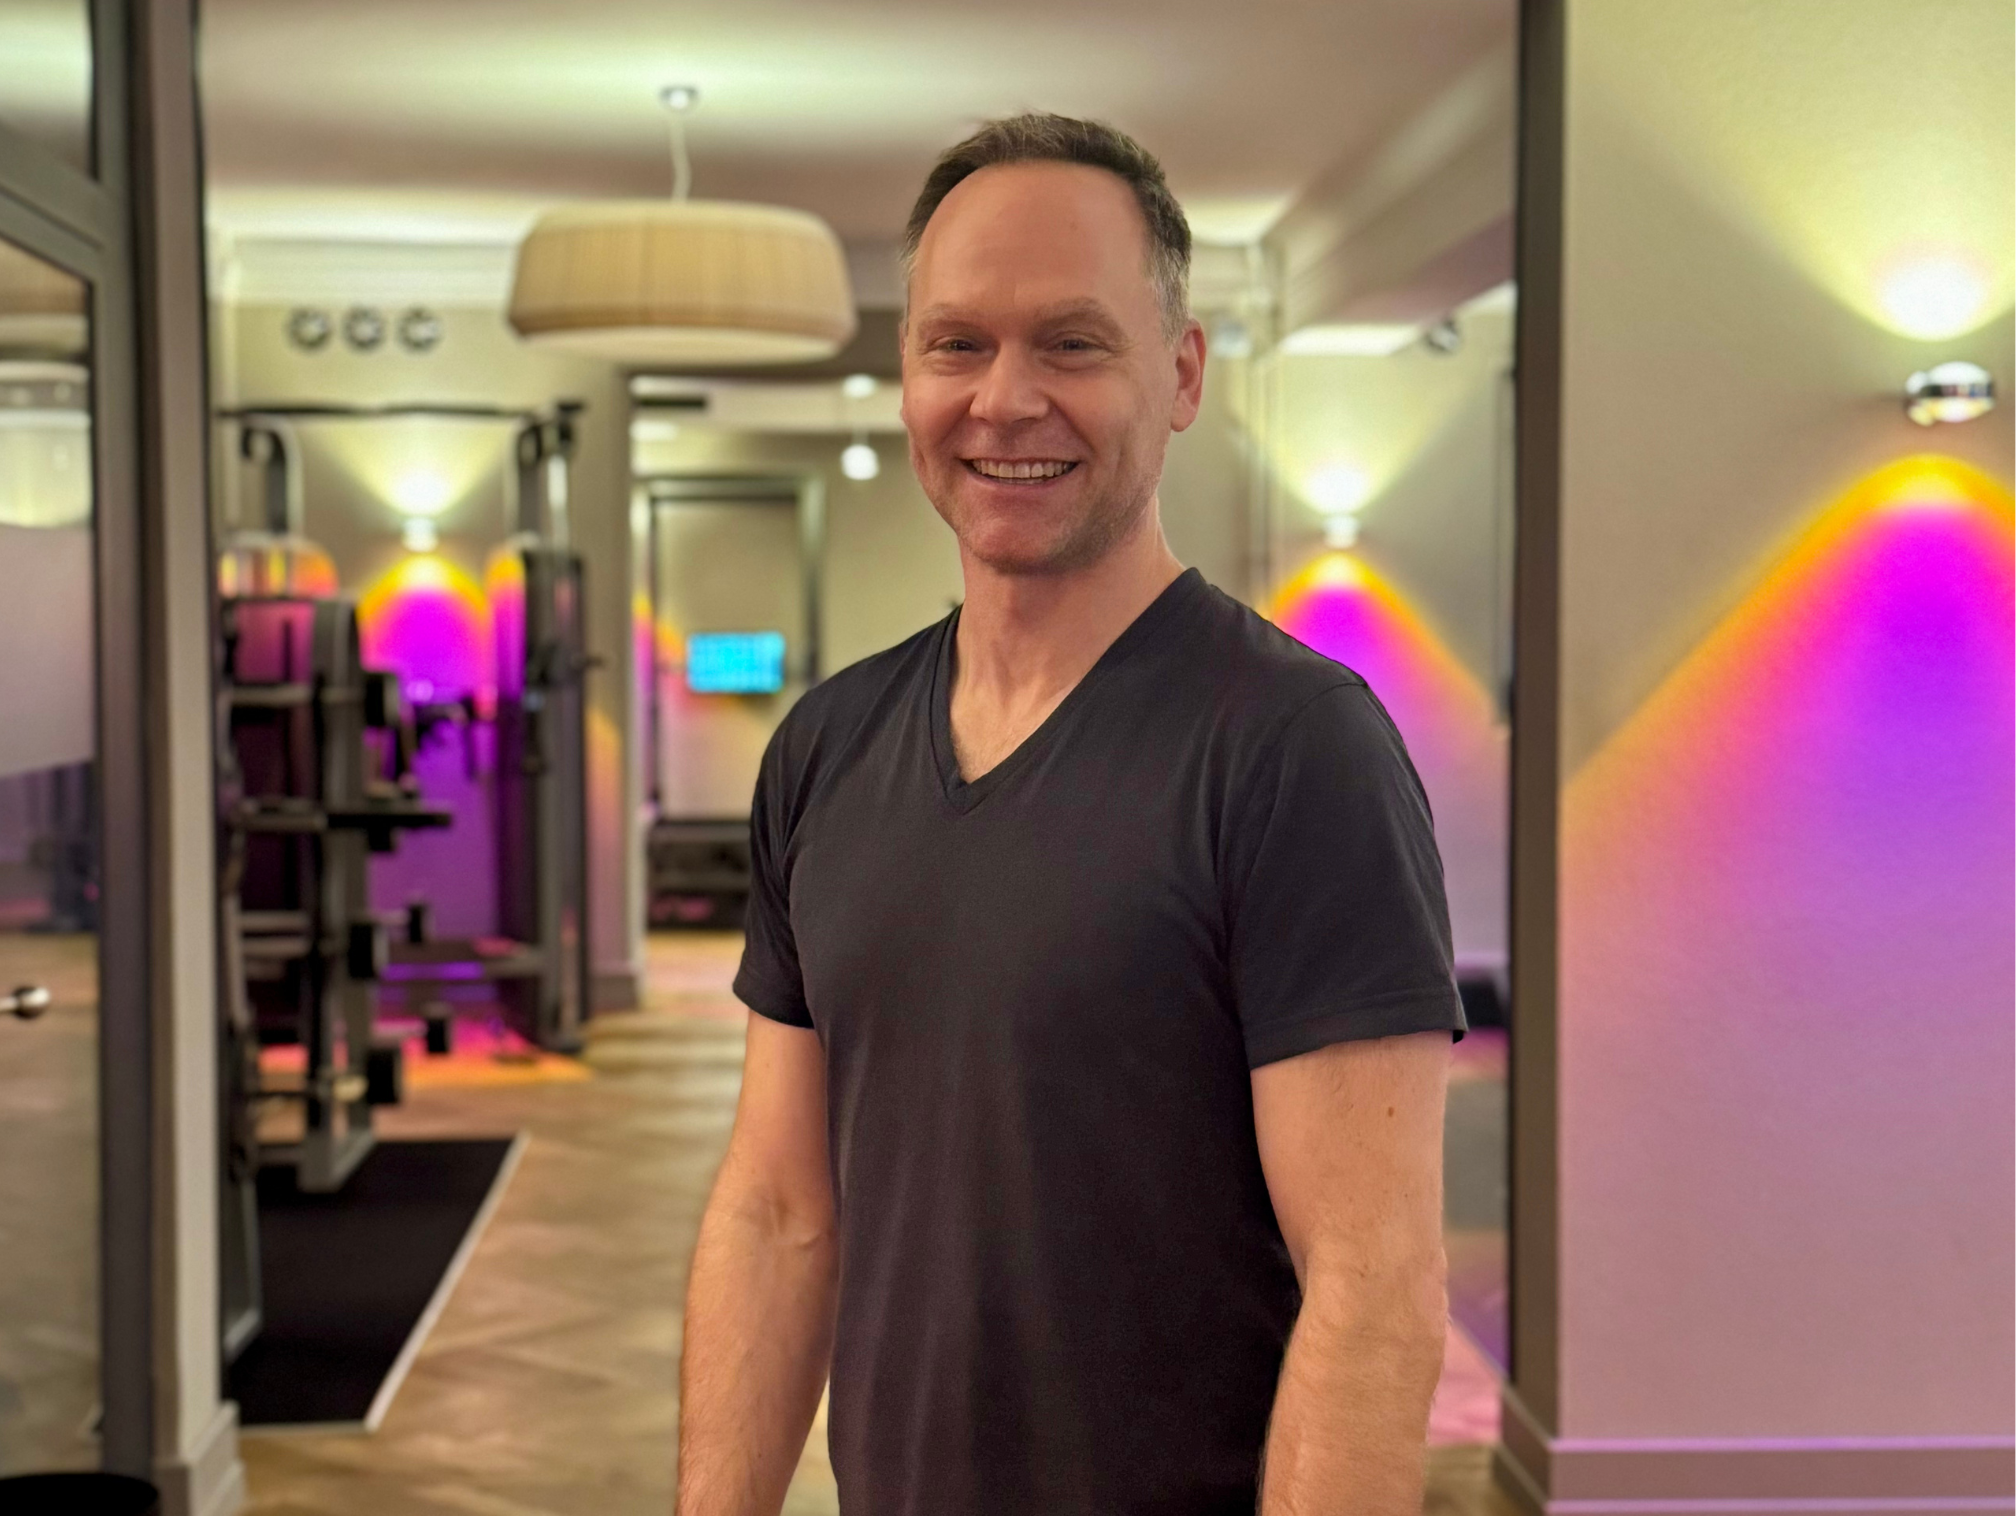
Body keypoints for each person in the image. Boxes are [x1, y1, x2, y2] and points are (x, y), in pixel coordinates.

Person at [675, 113, 1462, 1516]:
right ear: (907, 373)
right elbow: (779, 1212)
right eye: (957, 344)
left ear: (1181, 373)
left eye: (1073, 344)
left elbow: (1373, 1285)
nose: (1004, 399)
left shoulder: (1295, 749)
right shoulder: (827, 746)